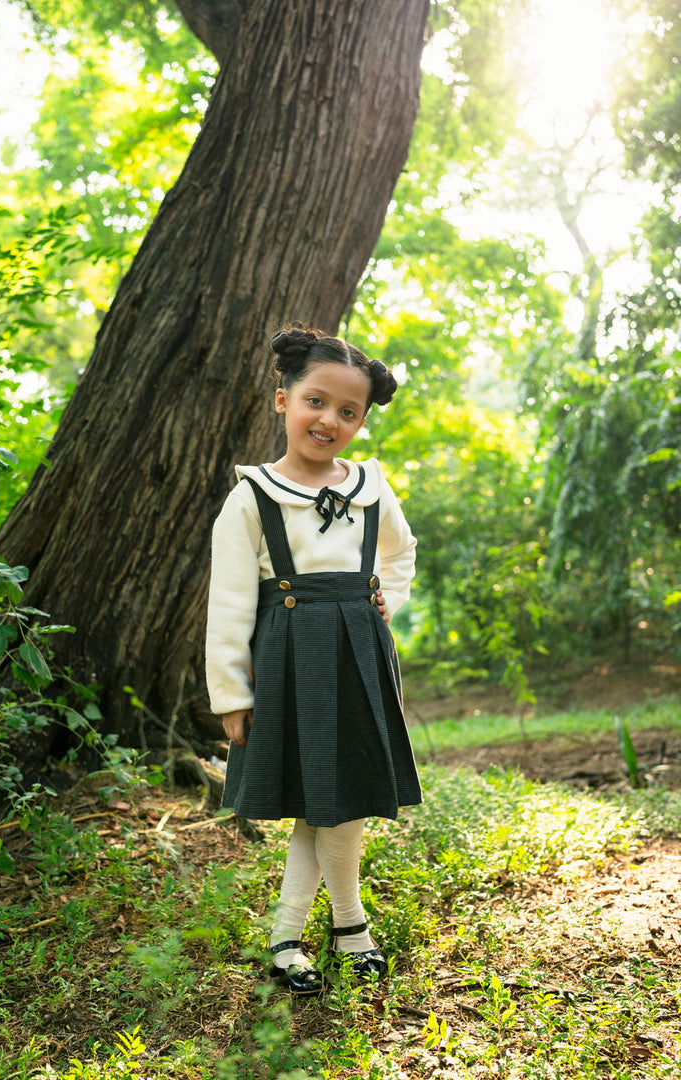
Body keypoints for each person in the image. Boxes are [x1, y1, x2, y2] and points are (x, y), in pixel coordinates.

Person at [205, 324, 422, 995]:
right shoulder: (252, 498)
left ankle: (294, 934)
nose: (330, 420)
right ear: (283, 400)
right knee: (324, 800)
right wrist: (232, 695)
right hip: (291, 660)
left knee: (335, 797)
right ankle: (344, 926)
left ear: (361, 421)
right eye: (316, 401)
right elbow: (229, 602)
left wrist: (387, 599)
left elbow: (401, 552)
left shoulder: (371, 487)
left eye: (348, 411)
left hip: (360, 653)